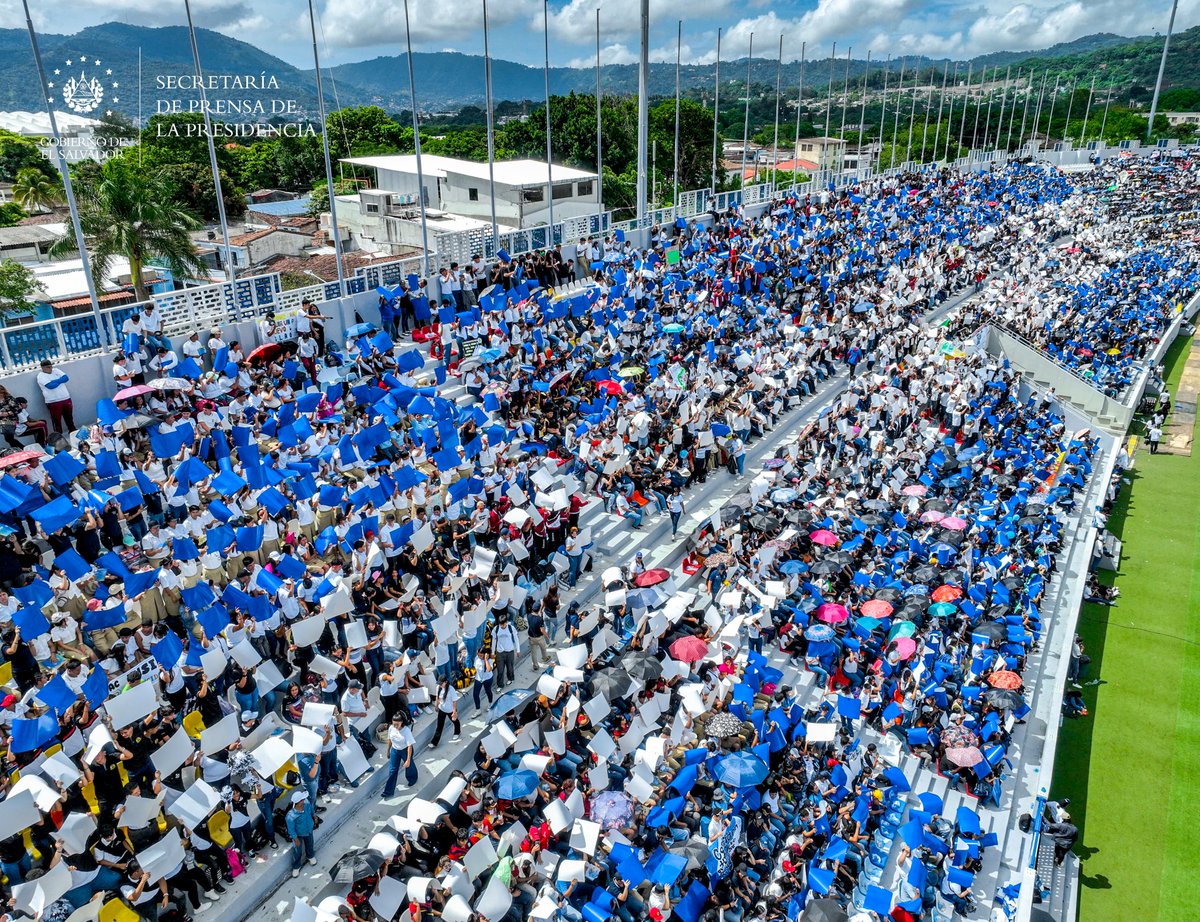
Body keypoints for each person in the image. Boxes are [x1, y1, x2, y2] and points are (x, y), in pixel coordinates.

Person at [381, 711, 417, 797]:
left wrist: (408, 760)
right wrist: (388, 751)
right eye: (394, 724)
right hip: (395, 750)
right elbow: (390, 740)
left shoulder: (406, 731)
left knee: (409, 766)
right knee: (392, 771)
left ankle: (412, 779)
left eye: (397, 724)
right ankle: (388, 792)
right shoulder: (391, 728)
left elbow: (409, 746)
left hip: (405, 750)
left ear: (402, 722)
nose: (395, 726)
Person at [35, 359, 74, 434]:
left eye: (51, 366)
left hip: (66, 398)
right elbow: (51, 386)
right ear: (42, 368)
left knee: (69, 417)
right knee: (56, 420)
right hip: (53, 401)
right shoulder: (41, 376)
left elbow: (66, 378)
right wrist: (60, 380)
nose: (50, 369)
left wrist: (55, 381)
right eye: (48, 367)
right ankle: (59, 436)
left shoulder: (56, 370)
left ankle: (72, 431)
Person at [286, 788, 317, 877]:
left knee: (310, 844)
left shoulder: (306, 803)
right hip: (298, 835)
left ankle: (310, 856)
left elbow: (311, 810)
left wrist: (314, 817)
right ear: (298, 802)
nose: (305, 800)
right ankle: (296, 866)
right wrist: (295, 839)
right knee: (297, 851)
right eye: (302, 799)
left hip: (309, 830)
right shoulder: (290, 816)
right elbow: (291, 829)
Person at [429, 675, 461, 746]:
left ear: (446, 682)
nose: (440, 685)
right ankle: (434, 742)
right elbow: (437, 697)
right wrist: (436, 705)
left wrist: (454, 712)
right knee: (439, 726)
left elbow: (454, 701)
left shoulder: (451, 689)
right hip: (442, 709)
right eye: (439, 683)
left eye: (441, 683)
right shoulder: (438, 687)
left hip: (450, 710)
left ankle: (457, 732)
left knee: (455, 721)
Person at [492, 612, 520, 689]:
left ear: (506, 622)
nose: (502, 626)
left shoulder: (511, 628)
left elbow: (516, 639)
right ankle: (500, 685)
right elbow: (494, 641)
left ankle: (510, 678)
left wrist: (518, 650)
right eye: (500, 624)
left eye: (503, 624)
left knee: (510, 668)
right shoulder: (496, 629)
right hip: (500, 652)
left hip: (510, 651)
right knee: (500, 670)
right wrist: (492, 652)